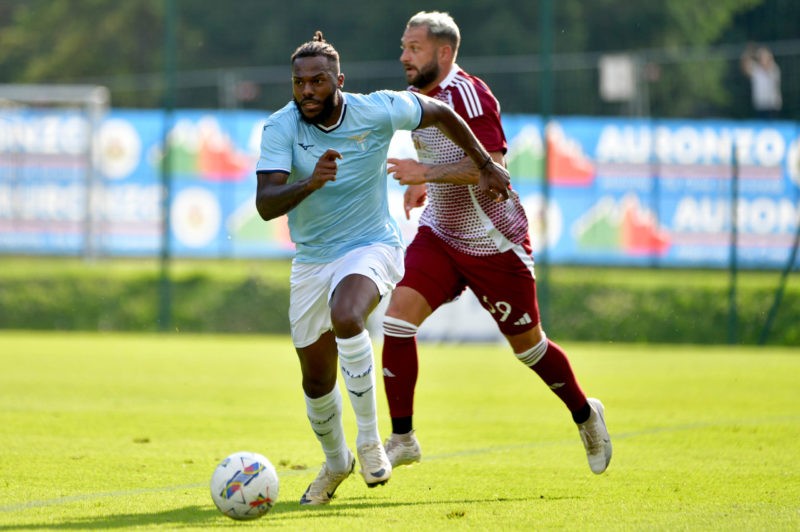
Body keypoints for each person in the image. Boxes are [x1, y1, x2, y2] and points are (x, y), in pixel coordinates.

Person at [254, 31, 511, 506]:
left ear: (339, 81)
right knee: (315, 380)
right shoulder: (280, 127)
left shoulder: (375, 109)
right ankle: (336, 463)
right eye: (299, 83)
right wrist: (310, 183)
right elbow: (266, 205)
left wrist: (485, 166)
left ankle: (371, 442)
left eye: (318, 81)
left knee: (348, 315)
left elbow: (443, 113)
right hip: (312, 259)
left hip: (371, 245)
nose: (307, 91)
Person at [381, 11, 612, 475]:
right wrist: (427, 185)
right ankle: (403, 437)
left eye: (415, 48)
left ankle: (586, 415)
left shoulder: (470, 94)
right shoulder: (414, 97)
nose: (404, 56)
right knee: (397, 321)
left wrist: (424, 172)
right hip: (442, 232)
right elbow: (451, 161)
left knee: (529, 348)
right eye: (405, 47)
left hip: (493, 242)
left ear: (444, 53)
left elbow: (493, 174)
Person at [740, 44, 782, 119]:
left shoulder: (774, 68)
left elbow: (767, 66)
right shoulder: (756, 69)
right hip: (760, 104)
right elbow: (745, 67)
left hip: (771, 105)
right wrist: (749, 53)